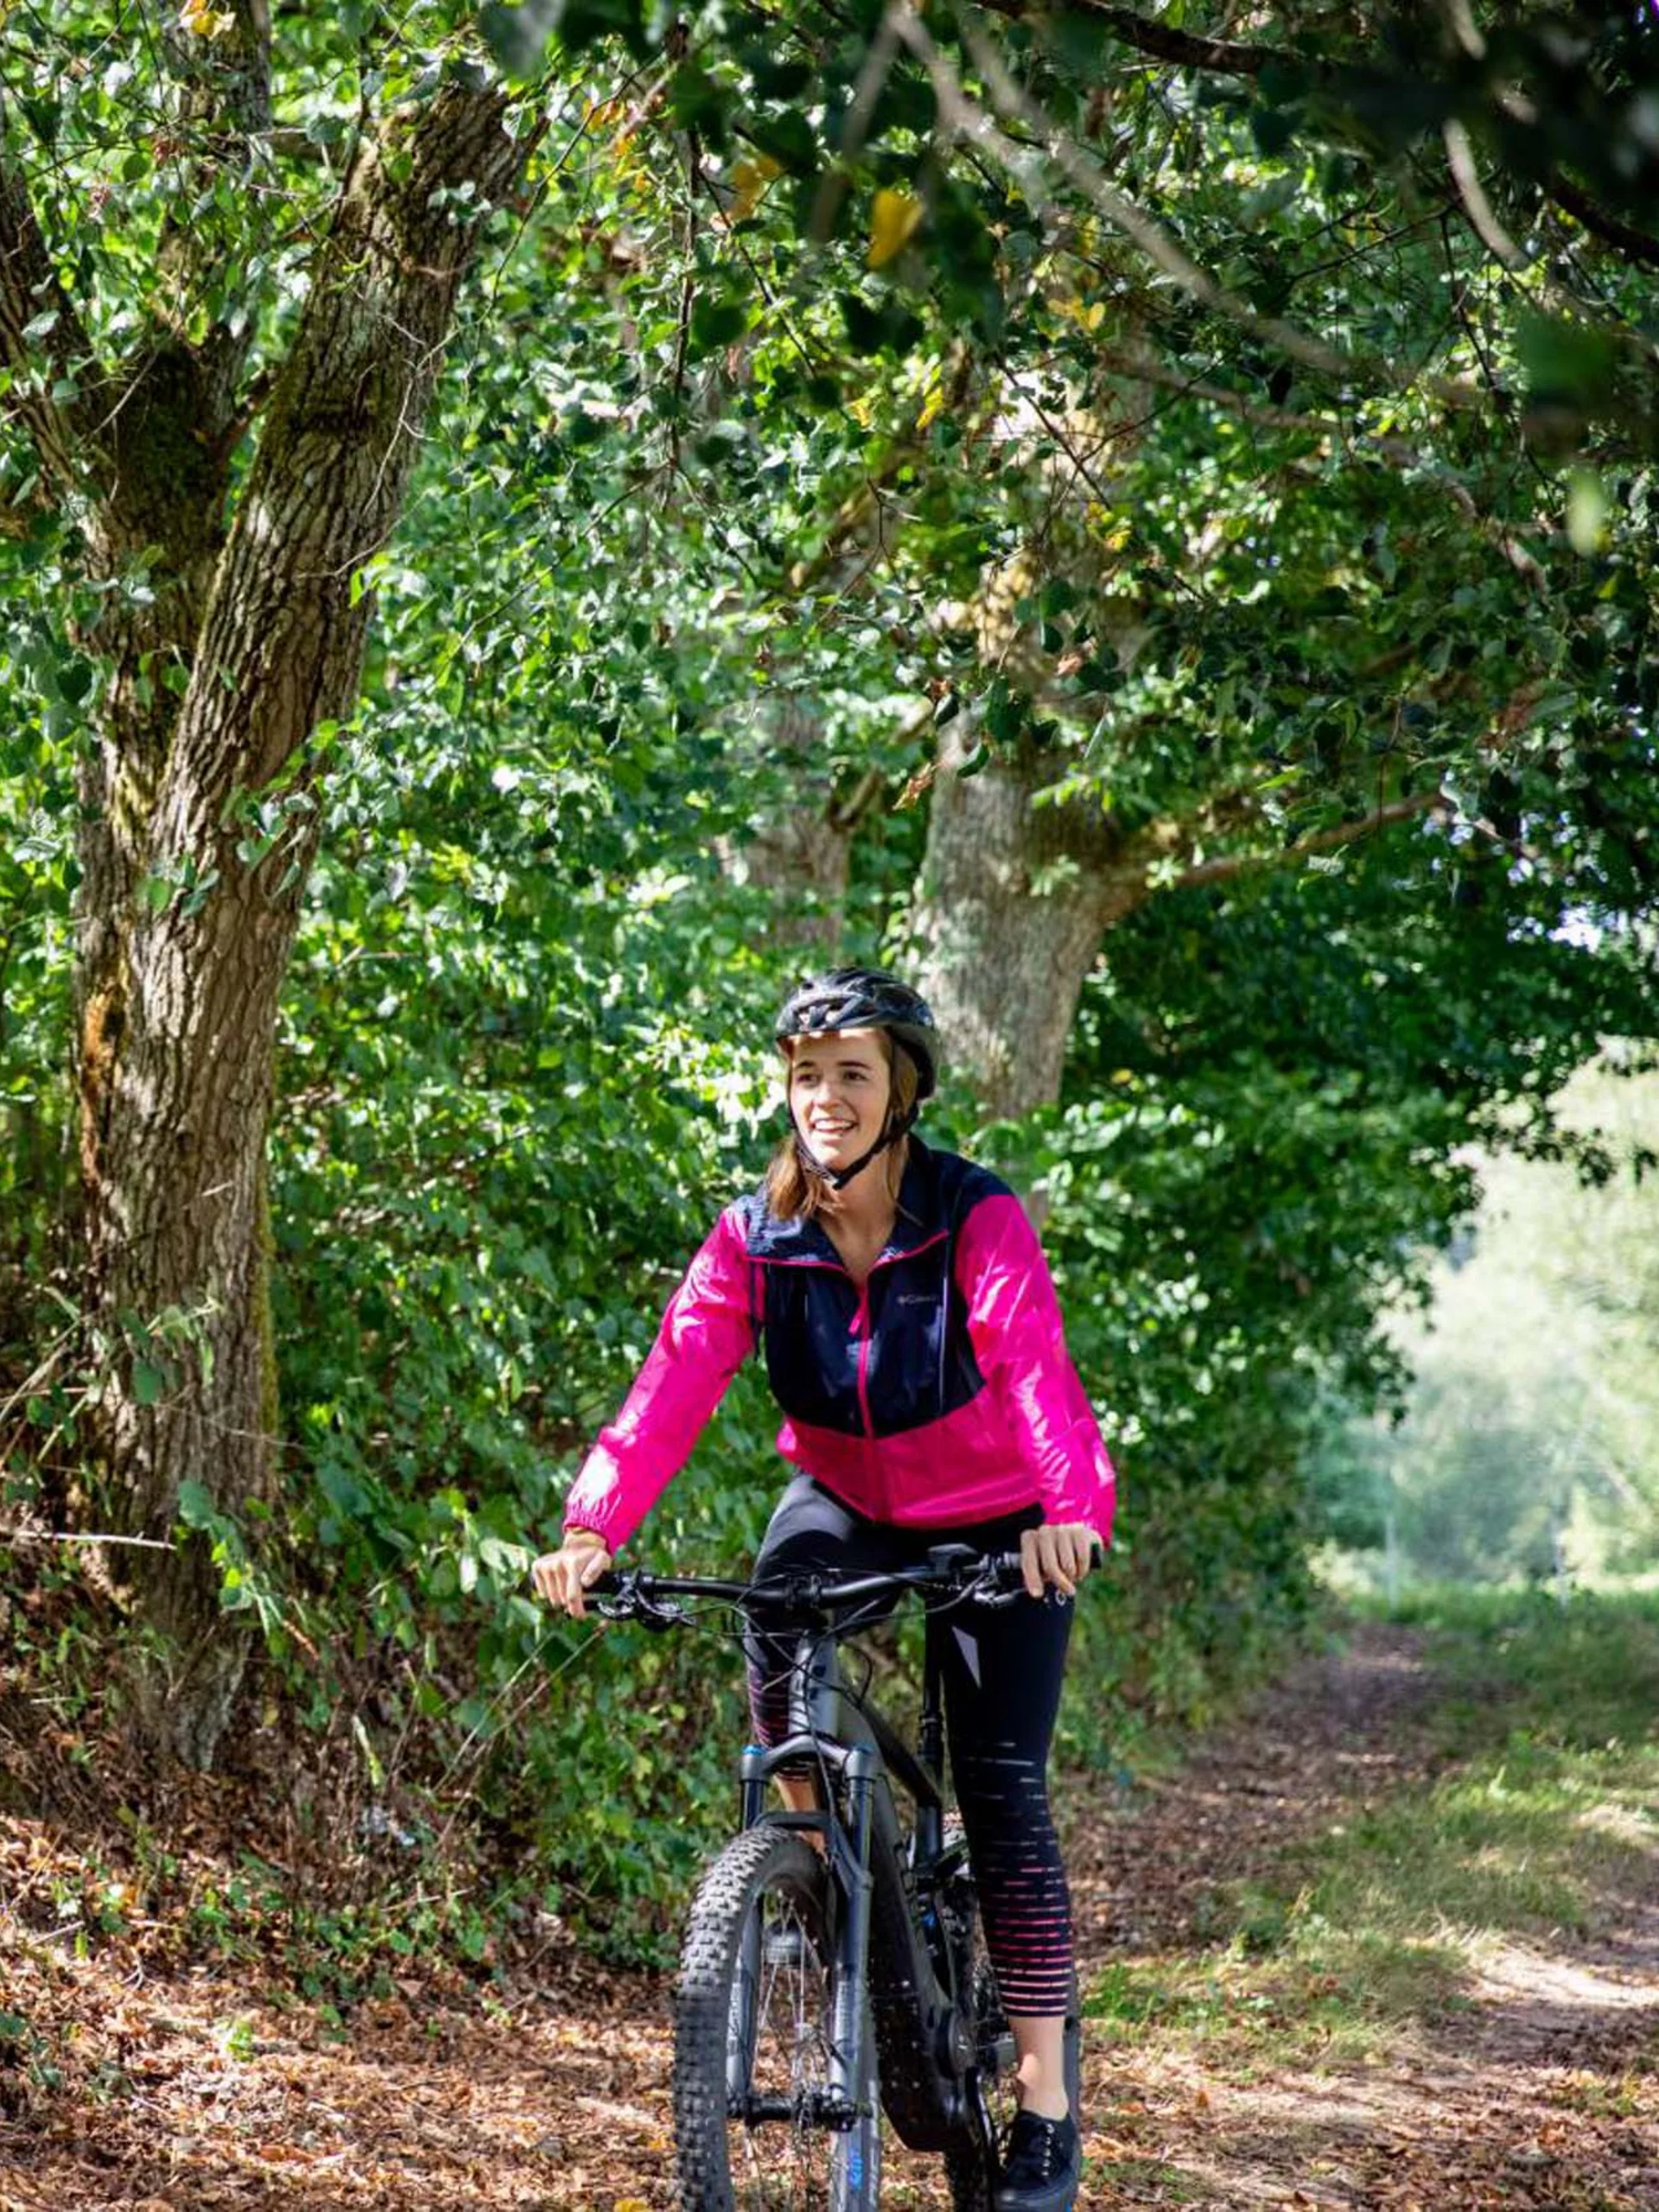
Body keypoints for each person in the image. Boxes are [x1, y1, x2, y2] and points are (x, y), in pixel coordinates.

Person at [533, 967, 1115, 2209]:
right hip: (844, 1499)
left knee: (1002, 1787)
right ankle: (815, 1881)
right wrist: (593, 1527)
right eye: (807, 1075)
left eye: (852, 1072)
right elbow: (674, 1378)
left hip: (1003, 1517)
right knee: (776, 1643)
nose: (826, 1098)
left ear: (901, 1090)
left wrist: (1070, 1510)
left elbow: (1032, 1366)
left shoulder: (972, 1217)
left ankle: (1049, 2112)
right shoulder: (759, 1233)